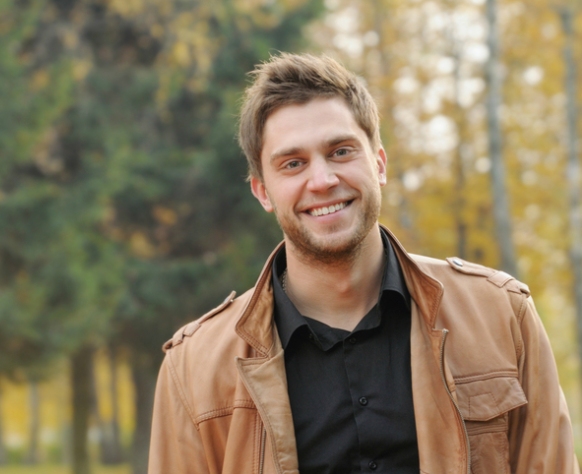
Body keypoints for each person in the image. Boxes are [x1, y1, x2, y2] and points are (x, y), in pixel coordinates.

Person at [148, 53, 579, 474]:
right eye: (293, 163)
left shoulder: (502, 315)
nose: (322, 180)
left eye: (340, 151)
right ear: (262, 191)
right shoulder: (193, 369)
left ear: (379, 164)